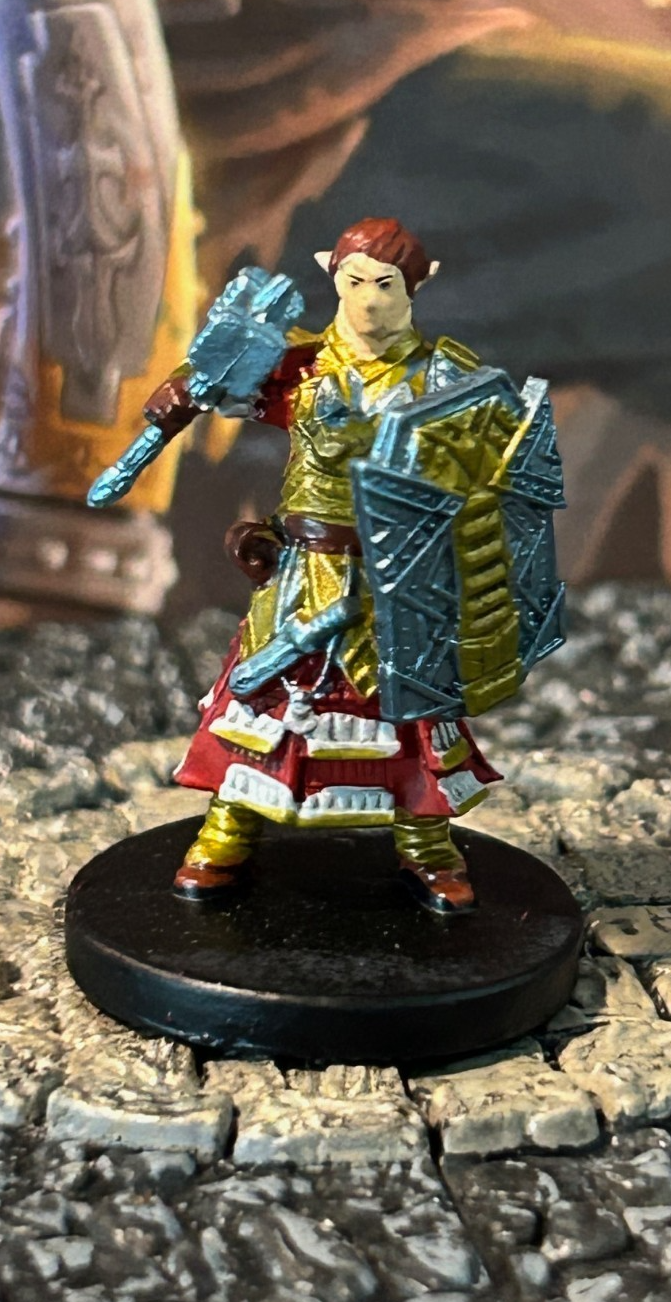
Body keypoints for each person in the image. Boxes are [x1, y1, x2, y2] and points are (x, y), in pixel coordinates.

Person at [141, 218, 511, 914]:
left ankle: (427, 845)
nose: (369, 299)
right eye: (354, 281)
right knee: (267, 698)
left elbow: (490, 474)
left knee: (410, 711)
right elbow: (218, 380)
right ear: (332, 277)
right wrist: (183, 388)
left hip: (400, 575)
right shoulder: (303, 366)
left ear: (417, 286)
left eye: (386, 284)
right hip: (305, 569)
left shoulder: (444, 379)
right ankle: (227, 831)